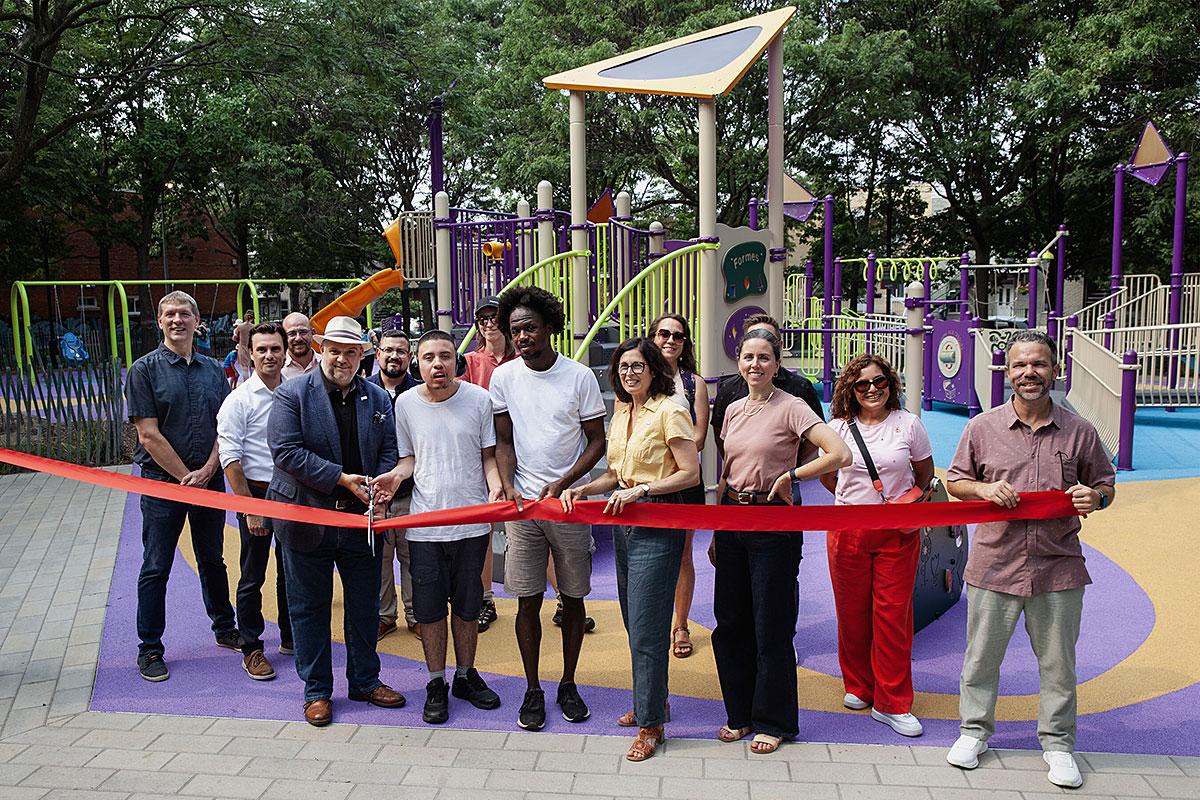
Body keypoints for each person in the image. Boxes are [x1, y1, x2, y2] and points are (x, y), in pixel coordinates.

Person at [944, 331, 1115, 789]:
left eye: (1039, 364)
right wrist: (981, 489)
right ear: (1007, 372)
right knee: (981, 658)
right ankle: (974, 732)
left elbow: (1106, 485)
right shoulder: (982, 427)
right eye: (1019, 365)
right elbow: (955, 481)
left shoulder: (1079, 432)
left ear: (1055, 370)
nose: (1029, 373)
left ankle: (1058, 744)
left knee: (1059, 664)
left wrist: (1093, 497)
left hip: (1058, 566)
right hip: (994, 563)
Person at [710, 329, 850, 754]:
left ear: (777, 363)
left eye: (764, 358)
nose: (755, 365)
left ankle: (773, 720)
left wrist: (793, 476)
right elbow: (726, 470)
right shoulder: (732, 407)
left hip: (774, 523)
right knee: (730, 622)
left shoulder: (792, 406)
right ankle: (739, 713)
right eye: (748, 357)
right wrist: (718, 527)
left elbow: (838, 453)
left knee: (771, 624)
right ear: (739, 361)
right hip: (733, 515)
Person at [560, 338, 699, 761]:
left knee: (646, 626)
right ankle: (652, 701)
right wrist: (583, 488)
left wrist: (643, 490)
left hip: (657, 518)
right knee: (636, 621)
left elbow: (691, 474)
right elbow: (617, 474)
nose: (629, 373)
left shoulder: (671, 409)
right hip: (624, 521)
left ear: (654, 369)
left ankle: (651, 724)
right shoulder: (624, 412)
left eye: (637, 366)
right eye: (623, 367)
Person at [266, 315, 405, 727]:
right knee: (309, 607)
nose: (341, 359)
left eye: (350, 351)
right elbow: (285, 452)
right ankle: (316, 692)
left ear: (363, 355)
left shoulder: (378, 398)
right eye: (334, 350)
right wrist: (342, 478)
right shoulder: (291, 394)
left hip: (360, 521)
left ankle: (364, 680)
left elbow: (388, 451)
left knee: (364, 606)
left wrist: (380, 487)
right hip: (306, 517)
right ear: (320, 349)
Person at [373, 330, 504, 725]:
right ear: (418, 362)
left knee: (467, 608)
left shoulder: (479, 400)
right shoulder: (407, 404)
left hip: (471, 524)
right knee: (429, 613)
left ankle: (465, 675)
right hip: (425, 525)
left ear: (456, 360)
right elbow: (409, 458)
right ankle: (435, 681)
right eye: (428, 357)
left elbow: (489, 458)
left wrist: (496, 487)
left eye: (445, 356)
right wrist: (395, 476)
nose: (437, 365)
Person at [490, 286, 606, 731]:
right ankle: (534, 688)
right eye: (515, 329)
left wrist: (566, 481)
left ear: (549, 328)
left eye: (530, 328)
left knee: (574, 598)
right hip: (525, 507)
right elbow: (503, 441)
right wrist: (507, 484)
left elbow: (597, 440)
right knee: (525, 600)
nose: (521, 336)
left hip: (571, 505)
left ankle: (569, 683)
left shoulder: (578, 377)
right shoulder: (503, 377)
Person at [125, 291, 238, 682]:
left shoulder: (212, 370)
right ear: (159, 322)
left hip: (207, 479)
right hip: (163, 484)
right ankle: (150, 648)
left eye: (184, 314)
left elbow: (225, 427)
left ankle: (224, 627)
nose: (177, 320)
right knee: (156, 566)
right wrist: (183, 478)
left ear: (196, 321)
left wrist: (208, 470)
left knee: (213, 559)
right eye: (169, 314)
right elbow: (148, 435)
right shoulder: (144, 370)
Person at [818, 354, 933, 737]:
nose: (872, 389)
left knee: (892, 615)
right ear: (850, 389)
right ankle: (858, 684)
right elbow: (829, 478)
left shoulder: (908, 424)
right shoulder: (838, 428)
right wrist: (856, 502)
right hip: (848, 528)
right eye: (862, 384)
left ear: (891, 384)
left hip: (896, 531)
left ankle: (893, 700)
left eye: (879, 381)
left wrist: (891, 503)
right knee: (852, 613)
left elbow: (924, 474)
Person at [217, 321, 296, 681]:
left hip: (293, 493)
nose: (269, 355)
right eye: (261, 349)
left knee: (292, 570)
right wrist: (248, 506)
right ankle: (251, 646)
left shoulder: (295, 392)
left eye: (275, 349)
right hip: (257, 494)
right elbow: (229, 457)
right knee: (252, 574)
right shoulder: (238, 401)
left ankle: (292, 637)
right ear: (249, 352)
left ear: (285, 352)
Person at [648, 313, 708, 661]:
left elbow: (698, 438)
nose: (671, 340)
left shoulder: (692, 381)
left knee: (684, 555)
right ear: (653, 338)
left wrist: (667, 455)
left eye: (679, 336)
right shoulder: (640, 377)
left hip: (682, 483)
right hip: (650, 482)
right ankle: (653, 621)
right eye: (664, 334)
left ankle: (681, 624)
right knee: (650, 557)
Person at [461, 296, 518, 634]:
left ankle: (561, 599)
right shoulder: (470, 362)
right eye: (482, 318)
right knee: (483, 526)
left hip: (518, 449)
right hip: (485, 451)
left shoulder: (521, 357)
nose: (488, 323)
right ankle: (485, 598)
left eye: (494, 316)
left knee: (533, 521)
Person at [368, 328, 421, 641]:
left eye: (401, 351)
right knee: (380, 560)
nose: (394, 356)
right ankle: (384, 615)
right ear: (378, 354)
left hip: (412, 492)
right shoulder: (363, 391)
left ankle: (416, 614)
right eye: (388, 350)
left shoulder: (419, 392)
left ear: (409, 357)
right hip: (374, 494)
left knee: (414, 558)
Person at [281, 312, 321, 380]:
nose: (298, 338)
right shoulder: (278, 368)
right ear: (283, 337)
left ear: (313, 333)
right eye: (292, 333)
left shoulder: (325, 364)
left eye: (303, 332)